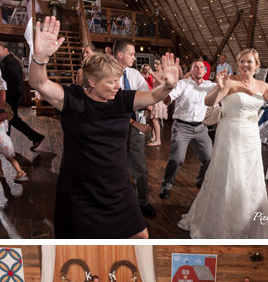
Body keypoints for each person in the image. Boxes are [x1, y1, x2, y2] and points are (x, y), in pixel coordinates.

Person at [28, 18, 181, 238]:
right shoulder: (72, 100)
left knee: (140, 236)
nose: (118, 86)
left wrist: (168, 85)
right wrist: (40, 58)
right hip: (79, 191)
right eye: (111, 82)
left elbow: (152, 96)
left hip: (117, 188)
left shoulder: (122, 99)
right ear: (91, 81)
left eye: (118, 80)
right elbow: (39, 83)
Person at [177, 50, 268, 239]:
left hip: (251, 136)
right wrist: (219, 87)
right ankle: (221, 221)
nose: (246, 65)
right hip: (230, 133)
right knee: (229, 175)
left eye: (250, 62)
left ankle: (247, 221)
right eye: (242, 61)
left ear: (257, 65)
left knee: (248, 177)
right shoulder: (230, 81)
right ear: (238, 63)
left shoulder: (262, 86)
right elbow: (208, 101)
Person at [159, 58, 215, 198]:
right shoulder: (183, 84)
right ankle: (166, 185)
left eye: (201, 67)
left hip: (200, 128)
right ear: (191, 70)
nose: (199, 69)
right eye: (196, 67)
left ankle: (201, 181)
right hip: (182, 127)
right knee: (177, 159)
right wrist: (168, 98)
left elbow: (223, 89)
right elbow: (173, 94)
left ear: (205, 71)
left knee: (208, 157)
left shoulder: (209, 85)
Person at [114, 39, 156, 219]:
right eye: (131, 54)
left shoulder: (134, 74)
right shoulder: (108, 75)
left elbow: (146, 94)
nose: (134, 57)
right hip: (114, 129)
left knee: (140, 168)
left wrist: (147, 104)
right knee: (115, 169)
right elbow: (113, 106)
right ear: (120, 55)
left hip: (134, 128)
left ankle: (143, 202)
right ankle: (117, 204)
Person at [0, 41, 45, 151]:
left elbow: (14, 83)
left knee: (11, 119)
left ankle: (36, 137)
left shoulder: (9, 62)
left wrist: (7, 98)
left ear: (5, 49)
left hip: (10, 98)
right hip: (9, 98)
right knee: (10, 120)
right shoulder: (7, 61)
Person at [146, 58, 168, 147]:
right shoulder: (155, 73)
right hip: (152, 97)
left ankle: (158, 140)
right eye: (155, 63)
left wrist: (152, 74)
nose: (156, 65)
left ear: (162, 65)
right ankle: (154, 137)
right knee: (150, 118)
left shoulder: (164, 74)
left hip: (159, 99)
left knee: (155, 119)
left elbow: (162, 83)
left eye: (158, 63)